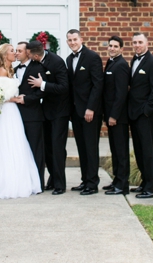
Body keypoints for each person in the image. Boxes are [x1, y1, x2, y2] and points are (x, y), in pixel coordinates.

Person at [0, 44, 42, 199]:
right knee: (3, 144)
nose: (15, 53)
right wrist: (14, 99)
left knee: (15, 144)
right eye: (12, 51)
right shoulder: (1, 71)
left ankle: (17, 178)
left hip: (13, 112)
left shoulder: (11, 70)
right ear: (4, 55)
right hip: (4, 113)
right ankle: (3, 182)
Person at [25, 39, 69, 194]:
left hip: (60, 112)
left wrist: (42, 85)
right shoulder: (35, 64)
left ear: (35, 54)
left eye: (28, 53)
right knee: (48, 148)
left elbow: (64, 87)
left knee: (57, 148)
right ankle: (52, 179)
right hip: (46, 111)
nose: (26, 55)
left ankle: (60, 185)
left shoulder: (57, 62)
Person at [65, 29, 103, 195]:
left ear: (81, 39)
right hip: (76, 112)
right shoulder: (68, 59)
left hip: (89, 112)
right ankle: (85, 179)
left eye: (75, 39)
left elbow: (97, 85)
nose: (72, 42)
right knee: (81, 147)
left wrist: (91, 108)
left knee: (90, 147)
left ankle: (92, 183)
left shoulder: (92, 57)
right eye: (69, 40)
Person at [128, 32, 153, 198]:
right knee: (140, 151)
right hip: (134, 114)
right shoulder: (134, 60)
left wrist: (147, 110)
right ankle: (144, 182)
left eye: (140, 42)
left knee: (149, 151)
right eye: (134, 42)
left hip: (146, 115)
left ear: (147, 43)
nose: (137, 45)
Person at [14, 40, 46, 189]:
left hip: (33, 116)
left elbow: (42, 92)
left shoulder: (38, 67)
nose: (16, 53)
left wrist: (27, 99)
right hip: (16, 116)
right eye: (15, 50)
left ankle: (38, 183)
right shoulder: (14, 70)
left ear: (28, 52)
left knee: (36, 149)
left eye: (19, 51)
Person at [102, 36, 130, 195]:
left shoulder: (121, 65)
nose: (111, 48)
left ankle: (122, 185)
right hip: (111, 115)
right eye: (110, 45)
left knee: (121, 151)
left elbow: (121, 94)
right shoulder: (111, 62)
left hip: (118, 118)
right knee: (115, 150)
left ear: (121, 49)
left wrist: (113, 116)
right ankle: (116, 180)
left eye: (115, 46)